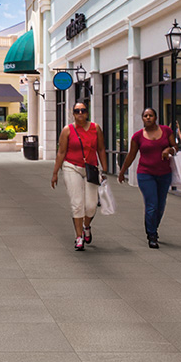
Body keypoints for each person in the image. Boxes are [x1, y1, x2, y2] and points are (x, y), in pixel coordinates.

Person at [118, 107, 178, 249]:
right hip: (145, 174)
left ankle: (152, 226)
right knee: (152, 204)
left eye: (151, 115)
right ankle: (152, 235)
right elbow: (131, 155)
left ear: (155, 117)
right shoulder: (138, 136)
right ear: (142, 118)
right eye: (145, 116)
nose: (148, 118)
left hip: (164, 174)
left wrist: (169, 149)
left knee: (161, 205)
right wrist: (122, 171)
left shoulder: (166, 131)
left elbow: (175, 148)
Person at [50, 102, 106, 251]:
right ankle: (79, 237)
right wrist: (55, 173)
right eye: (77, 111)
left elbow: (101, 148)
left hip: (91, 168)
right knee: (77, 203)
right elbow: (61, 152)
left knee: (91, 206)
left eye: (83, 110)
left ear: (87, 112)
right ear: (73, 113)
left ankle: (86, 226)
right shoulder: (67, 130)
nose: (80, 113)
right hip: (71, 167)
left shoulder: (96, 128)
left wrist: (104, 168)